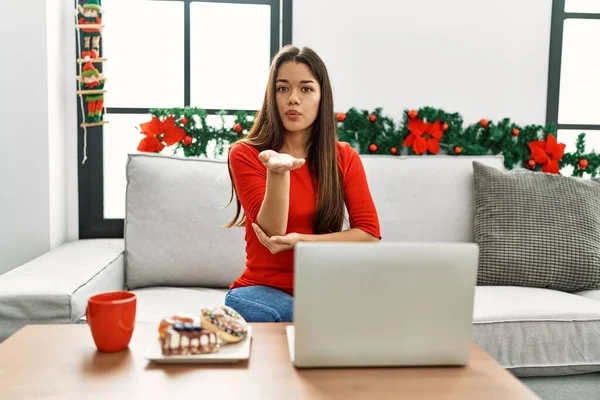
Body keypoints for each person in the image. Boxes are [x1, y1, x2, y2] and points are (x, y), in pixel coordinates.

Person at [224, 45, 381, 323]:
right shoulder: (246, 153)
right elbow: (273, 231)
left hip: (321, 289)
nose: (293, 99)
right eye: (283, 89)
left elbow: (368, 234)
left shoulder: (344, 157)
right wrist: (278, 171)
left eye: (306, 89)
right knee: (296, 315)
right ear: (272, 97)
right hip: (259, 291)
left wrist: (302, 242)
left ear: (322, 98)